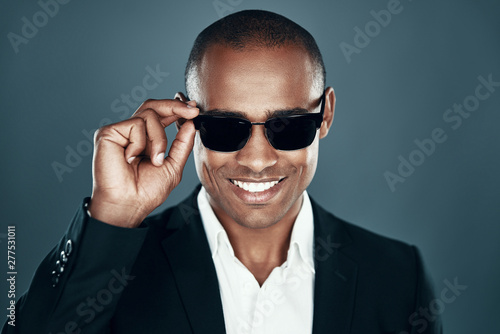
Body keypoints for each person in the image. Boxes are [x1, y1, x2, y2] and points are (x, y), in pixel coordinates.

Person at [3, 9, 442, 334]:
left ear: (325, 115)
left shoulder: (398, 275)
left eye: (287, 127)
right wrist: (112, 216)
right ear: (186, 119)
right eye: (225, 127)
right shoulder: (115, 267)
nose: (255, 159)